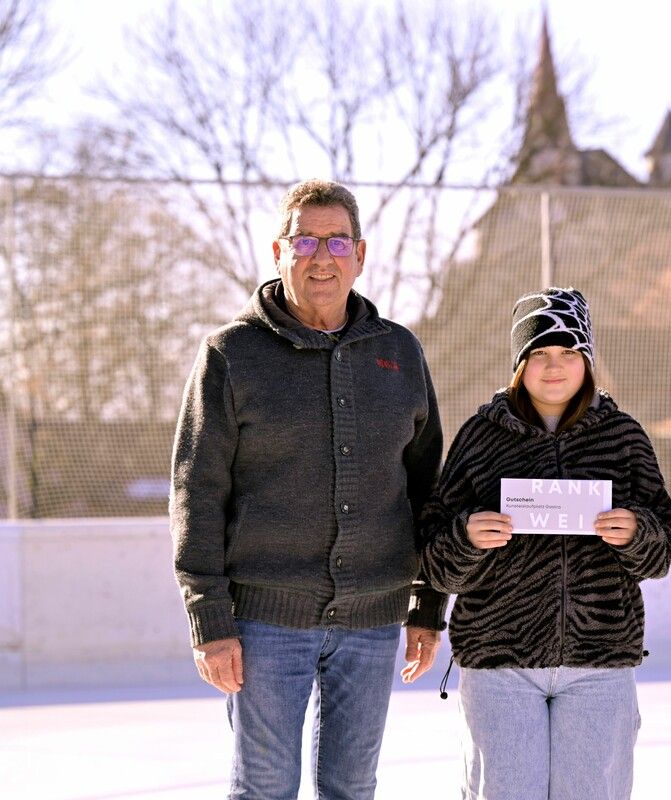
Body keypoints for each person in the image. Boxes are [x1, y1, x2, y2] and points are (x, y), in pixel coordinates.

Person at [170, 179, 445, 799]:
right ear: (278, 250)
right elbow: (197, 493)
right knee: (265, 788)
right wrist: (208, 621)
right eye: (306, 240)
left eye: (338, 241)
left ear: (361, 254)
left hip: (374, 619)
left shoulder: (400, 352)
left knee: (354, 787)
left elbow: (428, 490)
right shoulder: (229, 355)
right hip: (263, 620)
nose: (322, 256)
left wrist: (428, 606)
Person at [420, 287, 671, 800]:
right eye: (538, 353)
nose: (553, 366)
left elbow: (664, 548)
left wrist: (636, 533)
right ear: (519, 362)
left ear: (586, 359)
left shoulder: (624, 437)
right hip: (500, 664)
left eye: (567, 352)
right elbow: (434, 557)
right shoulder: (479, 436)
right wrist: (466, 537)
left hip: (599, 663)